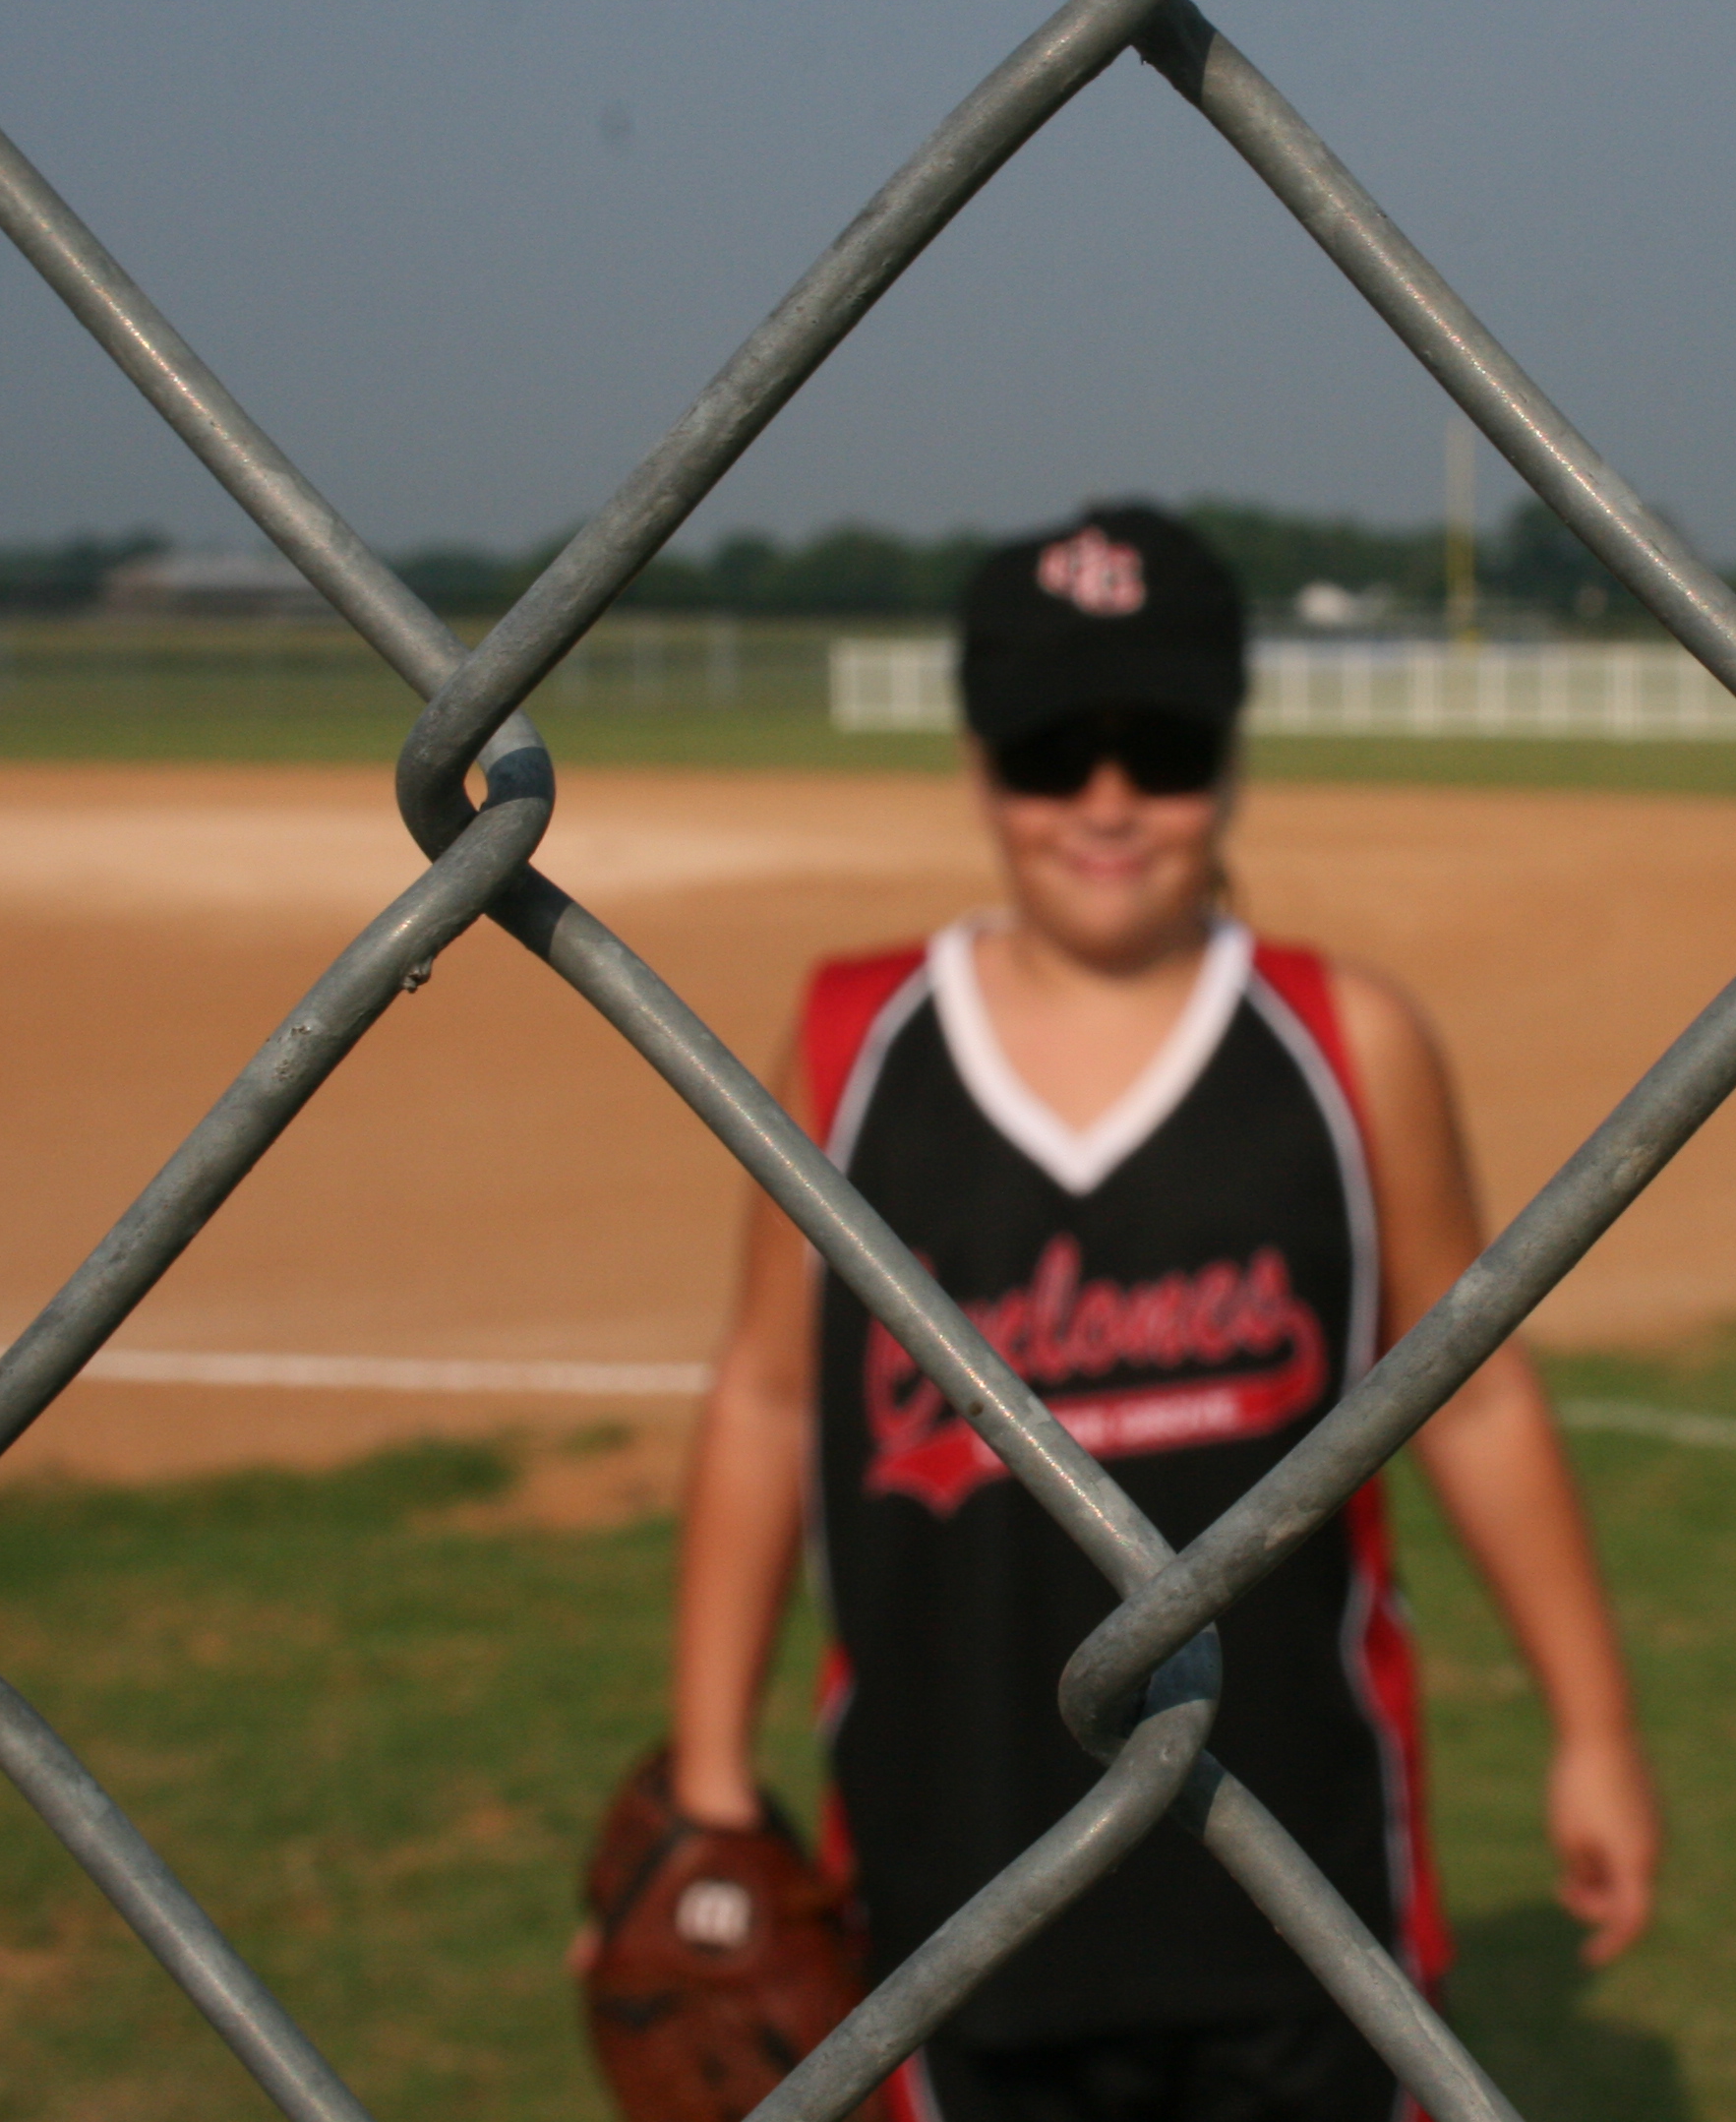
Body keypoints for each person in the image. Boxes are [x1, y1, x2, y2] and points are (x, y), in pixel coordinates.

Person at [661, 503, 1659, 2122]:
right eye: (1053, 754)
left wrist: (1592, 1728)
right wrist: (709, 1776)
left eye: (1166, 750)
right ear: (981, 764)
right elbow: (769, 1398)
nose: (1109, 802)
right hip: (949, 1896)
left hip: (1297, 1891)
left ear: (1232, 756)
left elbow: (1474, 1398)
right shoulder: (857, 1048)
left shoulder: (1343, 1045)